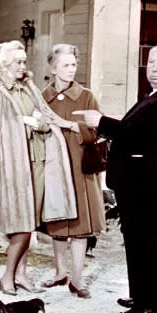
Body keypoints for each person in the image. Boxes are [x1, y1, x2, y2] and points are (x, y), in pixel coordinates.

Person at [74, 44, 157, 313]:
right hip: (137, 183)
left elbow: (139, 136)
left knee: (147, 243)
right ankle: (140, 295)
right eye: (151, 62)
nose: (155, 68)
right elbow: (135, 129)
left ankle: (149, 303)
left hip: (147, 185)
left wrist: (100, 121)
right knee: (136, 241)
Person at [0, 40, 76, 295]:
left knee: (30, 222)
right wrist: (24, 123)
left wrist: (35, 123)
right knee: (20, 224)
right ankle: (7, 276)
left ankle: (21, 274)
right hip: (15, 162)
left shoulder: (28, 86)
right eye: (18, 62)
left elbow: (45, 117)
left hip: (39, 158)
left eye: (24, 61)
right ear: (5, 64)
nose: (23, 66)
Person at [40, 44, 106, 298]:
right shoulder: (42, 96)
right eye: (66, 65)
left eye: (73, 65)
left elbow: (99, 131)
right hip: (54, 168)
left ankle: (77, 280)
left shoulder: (86, 96)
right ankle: (60, 273)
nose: (71, 70)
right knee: (58, 221)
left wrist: (68, 124)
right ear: (53, 68)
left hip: (80, 167)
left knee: (79, 225)